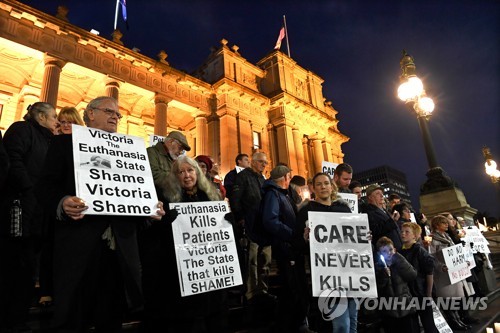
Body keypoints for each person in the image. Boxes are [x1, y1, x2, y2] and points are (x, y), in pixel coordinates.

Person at [36, 96, 164, 332]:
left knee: (111, 317)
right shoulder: (64, 144)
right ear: (91, 114)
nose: (116, 117)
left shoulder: (130, 152)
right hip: (79, 244)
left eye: (118, 114)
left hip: (120, 250)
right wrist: (62, 202)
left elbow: (139, 193)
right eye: (109, 111)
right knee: (73, 318)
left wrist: (150, 210)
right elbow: (44, 186)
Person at [139, 155, 228, 333]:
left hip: (208, 272)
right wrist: (162, 220)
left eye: (190, 170)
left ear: (197, 173)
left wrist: (227, 219)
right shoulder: (164, 196)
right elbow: (151, 234)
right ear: (175, 176)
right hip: (178, 274)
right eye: (181, 172)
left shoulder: (212, 196)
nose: (187, 175)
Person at [0, 101, 57, 333]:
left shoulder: (49, 140)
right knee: (13, 265)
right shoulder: (21, 130)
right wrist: (29, 189)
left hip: (37, 215)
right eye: (53, 117)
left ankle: (18, 318)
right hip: (19, 209)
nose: (57, 122)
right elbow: (12, 160)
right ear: (41, 117)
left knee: (27, 267)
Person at [297, 172, 357, 333]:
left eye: (326, 183)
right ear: (313, 188)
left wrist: (364, 237)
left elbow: (354, 238)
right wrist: (304, 239)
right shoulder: (306, 212)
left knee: (352, 321)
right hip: (327, 274)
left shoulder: (343, 209)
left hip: (350, 271)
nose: (323, 187)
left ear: (332, 187)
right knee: (341, 325)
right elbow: (297, 246)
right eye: (319, 184)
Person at [261, 165, 315, 333]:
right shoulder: (273, 194)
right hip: (286, 248)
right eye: (289, 176)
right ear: (284, 178)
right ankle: (288, 325)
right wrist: (292, 234)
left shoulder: (281, 194)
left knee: (296, 288)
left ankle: (295, 323)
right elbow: (270, 221)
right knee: (291, 290)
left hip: (292, 247)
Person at [230, 152, 274, 304]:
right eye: (261, 162)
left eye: (265, 162)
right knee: (252, 260)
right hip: (251, 224)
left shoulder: (263, 179)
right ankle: (251, 293)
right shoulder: (243, 177)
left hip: (264, 225)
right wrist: (240, 218)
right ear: (253, 162)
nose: (264, 165)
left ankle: (263, 289)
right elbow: (236, 199)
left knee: (265, 259)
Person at [429, 215, 471, 331]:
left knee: (456, 298)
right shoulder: (432, 238)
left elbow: (455, 253)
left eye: (447, 222)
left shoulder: (447, 236)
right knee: (447, 299)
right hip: (443, 274)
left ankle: (459, 319)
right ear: (437, 225)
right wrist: (440, 266)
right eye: (444, 223)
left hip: (453, 273)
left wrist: (464, 261)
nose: (447, 224)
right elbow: (431, 256)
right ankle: (453, 322)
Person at [375, 236, 419, 333]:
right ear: (379, 253)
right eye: (384, 251)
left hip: (406, 306)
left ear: (394, 249)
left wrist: (399, 259)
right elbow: (378, 287)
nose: (389, 253)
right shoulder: (377, 267)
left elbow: (412, 275)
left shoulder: (399, 261)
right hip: (389, 310)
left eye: (390, 250)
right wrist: (384, 275)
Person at [400, 222, 438, 333]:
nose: (403, 234)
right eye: (402, 231)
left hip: (421, 293)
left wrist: (428, 294)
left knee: (428, 324)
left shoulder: (420, 251)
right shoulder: (400, 251)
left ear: (415, 236)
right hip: (408, 294)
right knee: (412, 326)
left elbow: (429, 273)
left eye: (407, 232)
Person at [363, 184, 402, 250]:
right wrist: (392, 221)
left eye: (382, 193)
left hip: (397, 248)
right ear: (370, 197)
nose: (382, 195)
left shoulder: (384, 210)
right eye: (378, 193)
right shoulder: (368, 212)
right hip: (387, 252)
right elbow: (375, 231)